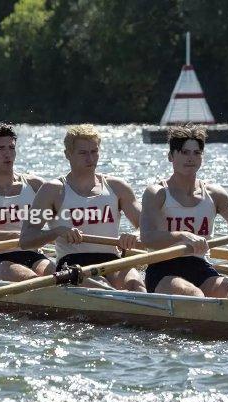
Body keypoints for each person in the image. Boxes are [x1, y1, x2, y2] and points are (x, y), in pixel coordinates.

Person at [20, 124, 145, 290]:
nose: (90, 159)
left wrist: (134, 236)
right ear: (68, 155)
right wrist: (57, 232)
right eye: (83, 153)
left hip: (112, 261)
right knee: (105, 290)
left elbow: (149, 227)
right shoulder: (52, 190)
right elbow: (26, 239)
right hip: (72, 265)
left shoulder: (117, 187)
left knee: (136, 286)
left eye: (94, 152)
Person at [139, 124, 228, 298]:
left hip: (199, 266)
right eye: (184, 152)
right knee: (195, 295)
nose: (191, 158)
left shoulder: (214, 193)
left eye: (196, 153)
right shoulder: (156, 193)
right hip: (162, 268)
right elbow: (148, 238)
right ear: (171, 156)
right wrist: (182, 235)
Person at [0, 123, 55, 281]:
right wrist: (22, 235)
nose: (7, 154)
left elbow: (60, 217)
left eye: (11, 148)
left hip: (34, 255)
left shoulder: (36, 185)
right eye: (1, 149)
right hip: (0, 260)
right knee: (35, 280)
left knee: (59, 276)